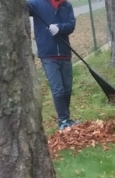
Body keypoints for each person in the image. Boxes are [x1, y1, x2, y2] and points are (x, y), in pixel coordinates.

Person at [27, 0, 78, 130]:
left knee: (67, 89)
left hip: (65, 53)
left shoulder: (66, 5)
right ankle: (63, 120)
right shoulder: (37, 4)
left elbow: (71, 25)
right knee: (58, 90)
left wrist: (59, 28)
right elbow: (21, 7)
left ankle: (66, 119)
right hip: (48, 55)